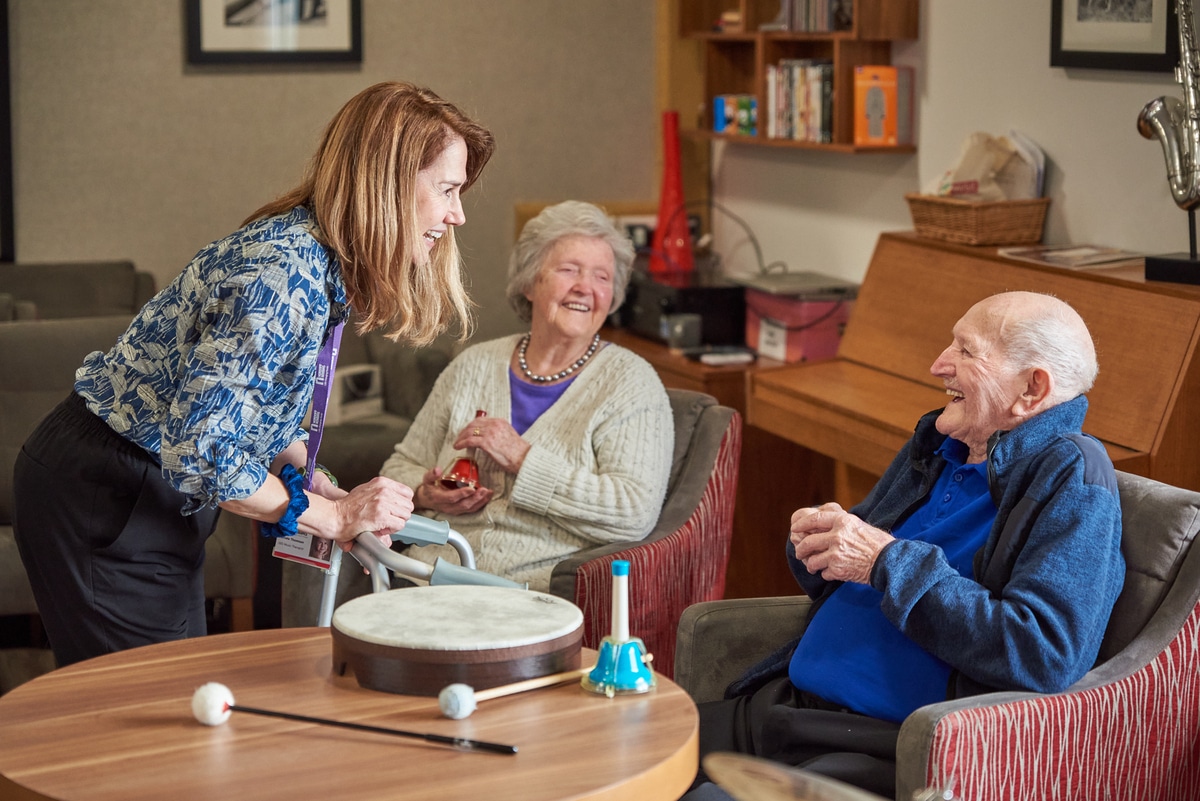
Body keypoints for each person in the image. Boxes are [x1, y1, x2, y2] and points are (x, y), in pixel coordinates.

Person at [12, 81, 495, 667]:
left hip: (150, 484)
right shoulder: (280, 274)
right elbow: (206, 451)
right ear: (389, 184)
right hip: (109, 488)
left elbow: (257, 400)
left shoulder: (317, 255)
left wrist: (311, 484)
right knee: (143, 713)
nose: (457, 214)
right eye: (447, 190)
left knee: (175, 697)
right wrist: (337, 517)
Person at [686, 291, 1126, 800]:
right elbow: (852, 566)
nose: (939, 364)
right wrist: (820, 542)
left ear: (1032, 388)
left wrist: (882, 559)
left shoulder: (1073, 478)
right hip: (785, 706)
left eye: (966, 351)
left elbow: (1043, 654)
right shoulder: (940, 443)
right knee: (621, 748)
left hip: (883, 746)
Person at [377, 200, 675, 592]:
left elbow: (633, 511)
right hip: (428, 580)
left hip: (534, 594)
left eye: (602, 277)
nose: (586, 287)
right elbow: (400, 467)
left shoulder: (631, 383)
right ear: (530, 281)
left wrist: (521, 458)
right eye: (569, 270)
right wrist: (424, 492)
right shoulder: (474, 364)